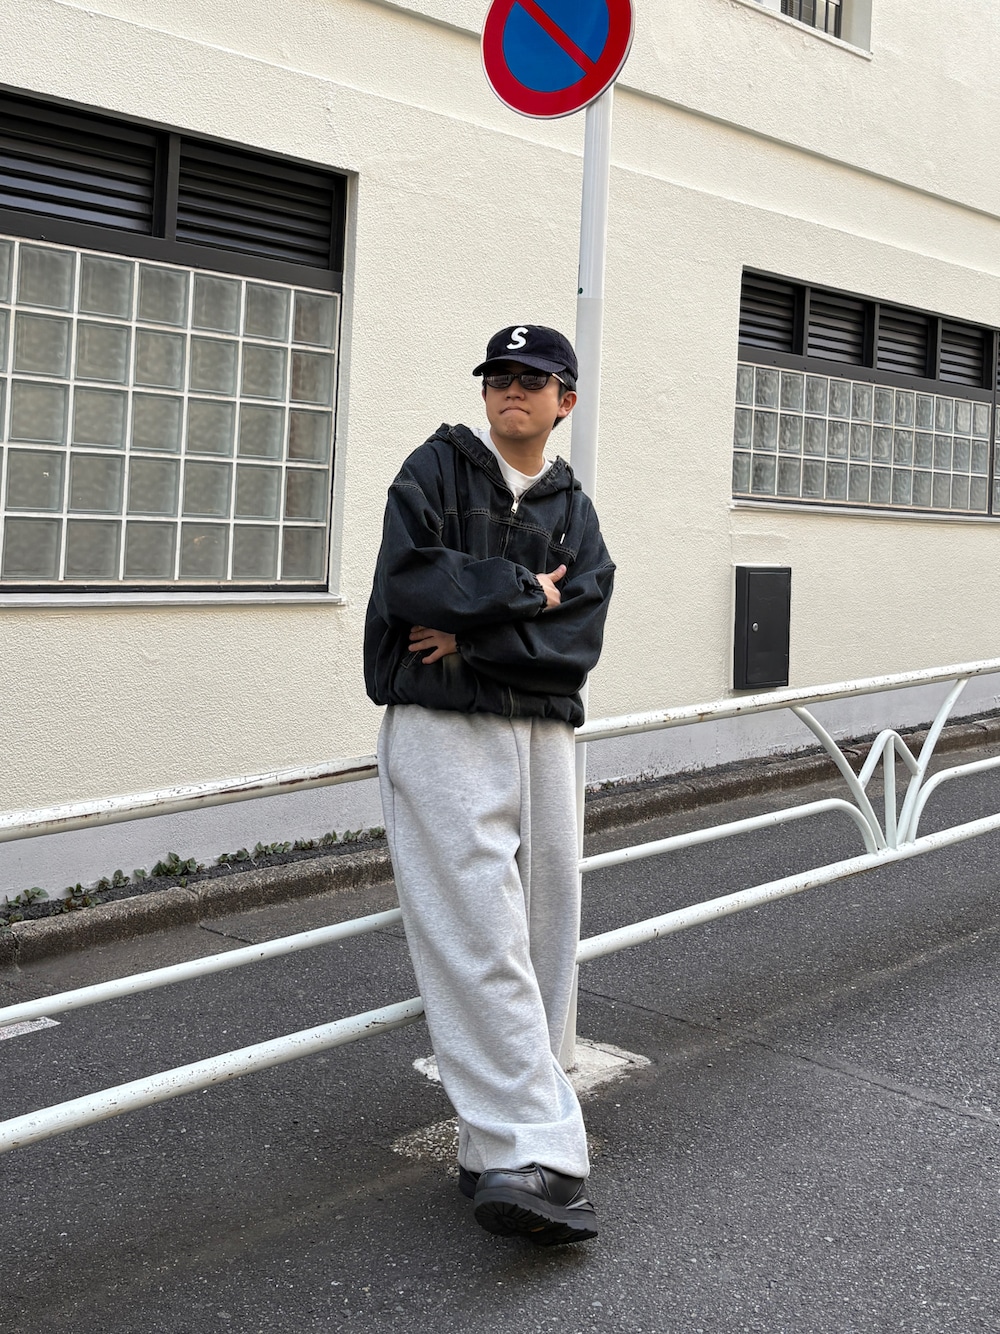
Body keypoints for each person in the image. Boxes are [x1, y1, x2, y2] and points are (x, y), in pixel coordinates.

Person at [364, 324, 615, 1245]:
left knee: (543, 934)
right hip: (442, 728)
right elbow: (410, 585)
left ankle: (489, 1143)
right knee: (477, 933)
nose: (512, 389)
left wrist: (474, 634)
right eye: (499, 376)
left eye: (532, 379)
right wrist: (524, 594)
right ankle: (540, 1155)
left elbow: (578, 639)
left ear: (564, 401)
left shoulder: (574, 508)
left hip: (542, 733)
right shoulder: (434, 470)